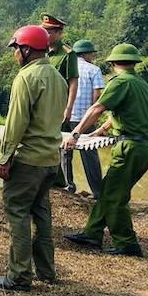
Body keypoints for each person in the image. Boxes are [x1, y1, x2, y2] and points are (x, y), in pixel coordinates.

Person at [0, 25, 67, 291]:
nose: (14, 56)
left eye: (16, 50)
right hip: (50, 160)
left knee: (18, 213)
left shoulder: (27, 77)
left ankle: (19, 275)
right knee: (41, 213)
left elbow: (16, 122)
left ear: (26, 50)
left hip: (28, 159)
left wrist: (5, 156)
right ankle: (46, 271)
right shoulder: (57, 77)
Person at [63, 44, 148, 258]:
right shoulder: (140, 84)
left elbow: (97, 108)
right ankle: (92, 233)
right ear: (134, 62)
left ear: (113, 64)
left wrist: (75, 134)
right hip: (144, 147)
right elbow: (121, 113)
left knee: (115, 197)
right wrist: (100, 131)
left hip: (130, 147)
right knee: (108, 191)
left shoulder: (120, 82)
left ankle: (127, 243)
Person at [40, 14, 79, 189]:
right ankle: (49, 179)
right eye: (43, 31)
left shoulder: (68, 54)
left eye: (49, 31)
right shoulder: (41, 52)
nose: (45, 34)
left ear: (59, 33)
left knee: (58, 143)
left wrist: (68, 108)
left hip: (58, 106)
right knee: (43, 141)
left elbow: (73, 82)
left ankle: (61, 182)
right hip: (42, 105)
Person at [64, 39, 105, 197]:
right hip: (84, 119)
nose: (93, 57)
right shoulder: (93, 69)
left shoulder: (67, 69)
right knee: (90, 155)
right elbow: (97, 95)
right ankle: (97, 191)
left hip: (66, 117)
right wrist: (94, 115)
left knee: (65, 152)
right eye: (92, 54)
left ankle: (68, 187)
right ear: (87, 54)